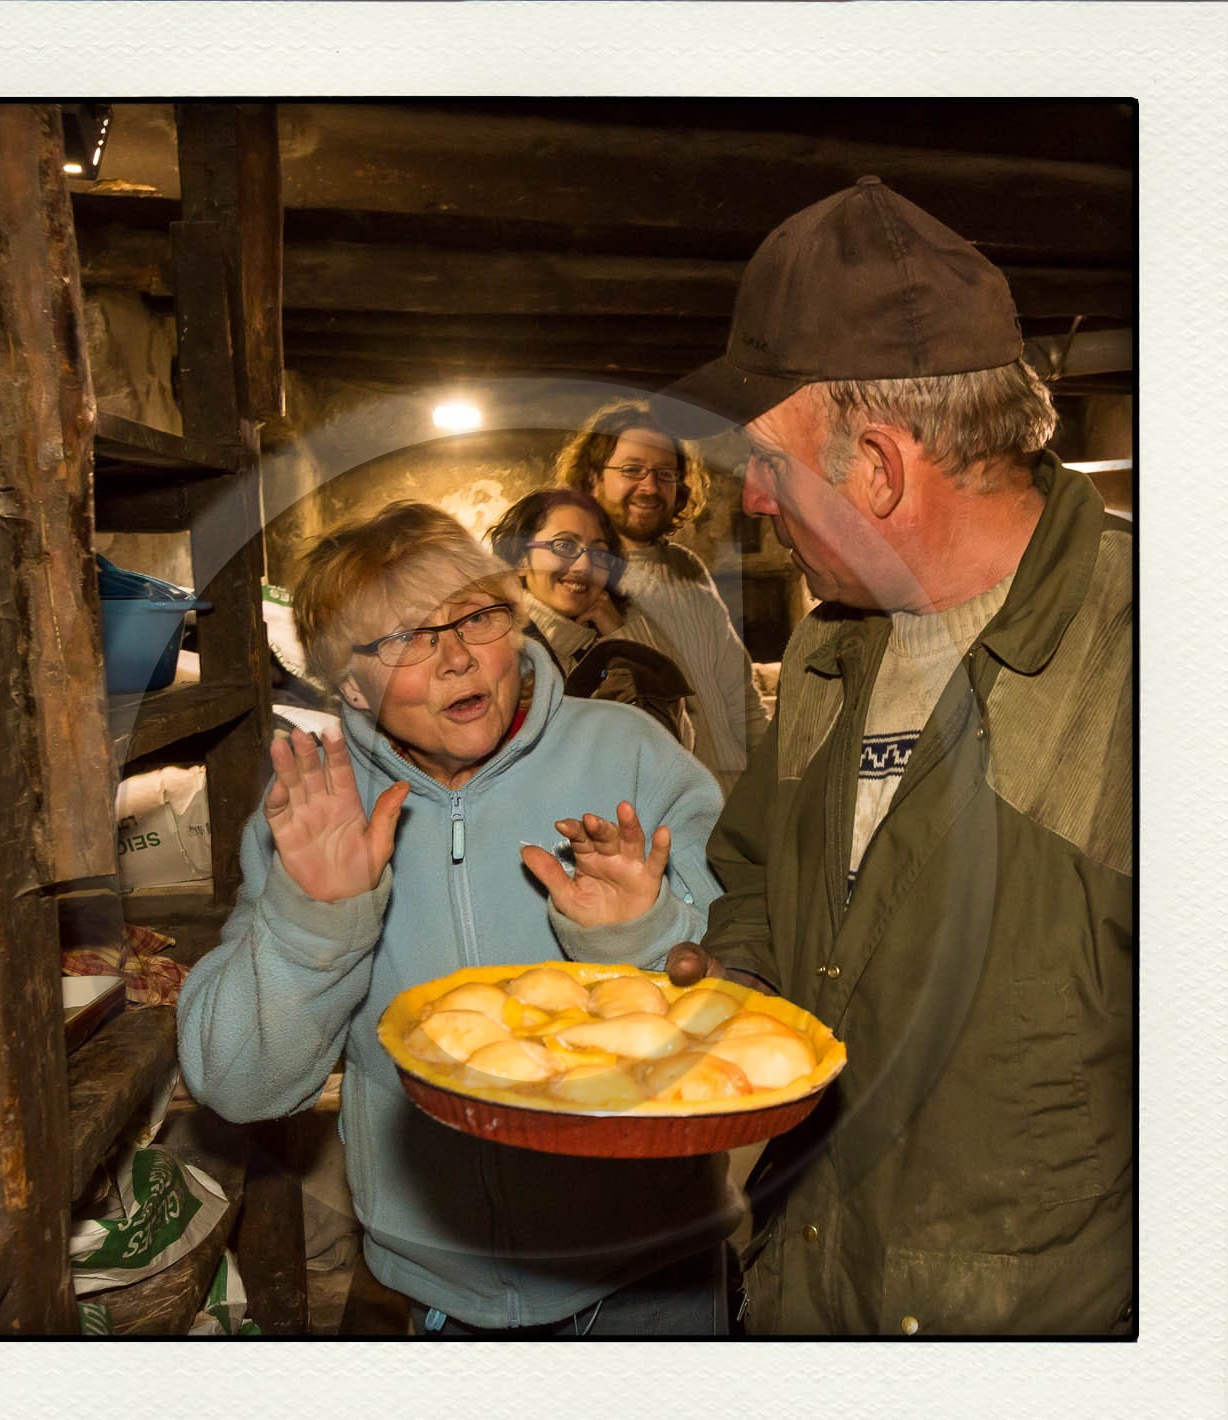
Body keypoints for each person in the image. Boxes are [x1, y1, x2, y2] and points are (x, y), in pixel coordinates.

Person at [658, 176, 1132, 1337]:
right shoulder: (828, 645)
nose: (755, 504)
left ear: (877, 465)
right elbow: (764, 874)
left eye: (766, 466)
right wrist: (737, 987)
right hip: (812, 1292)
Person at [176, 501, 742, 1336]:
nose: (454, 658)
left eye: (476, 616)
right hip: (439, 1296)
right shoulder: (317, 815)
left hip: (653, 1275)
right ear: (350, 685)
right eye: (405, 637)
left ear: (513, 625)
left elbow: (749, 1011)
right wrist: (314, 924)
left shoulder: (630, 755)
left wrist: (646, 937)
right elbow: (238, 1084)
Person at [554, 398, 769, 796]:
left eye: (665, 474)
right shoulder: (575, 579)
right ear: (591, 480)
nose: (650, 487)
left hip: (731, 807)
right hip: (653, 814)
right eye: (632, 470)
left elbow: (741, 699)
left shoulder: (687, 567)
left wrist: (770, 790)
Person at [485, 486, 695, 749]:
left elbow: (677, 745)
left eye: (598, 553)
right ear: (520, 559)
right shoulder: (499, 650)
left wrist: (622, 637)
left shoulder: (597, 645)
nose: (583, 566)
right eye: (563, 545)